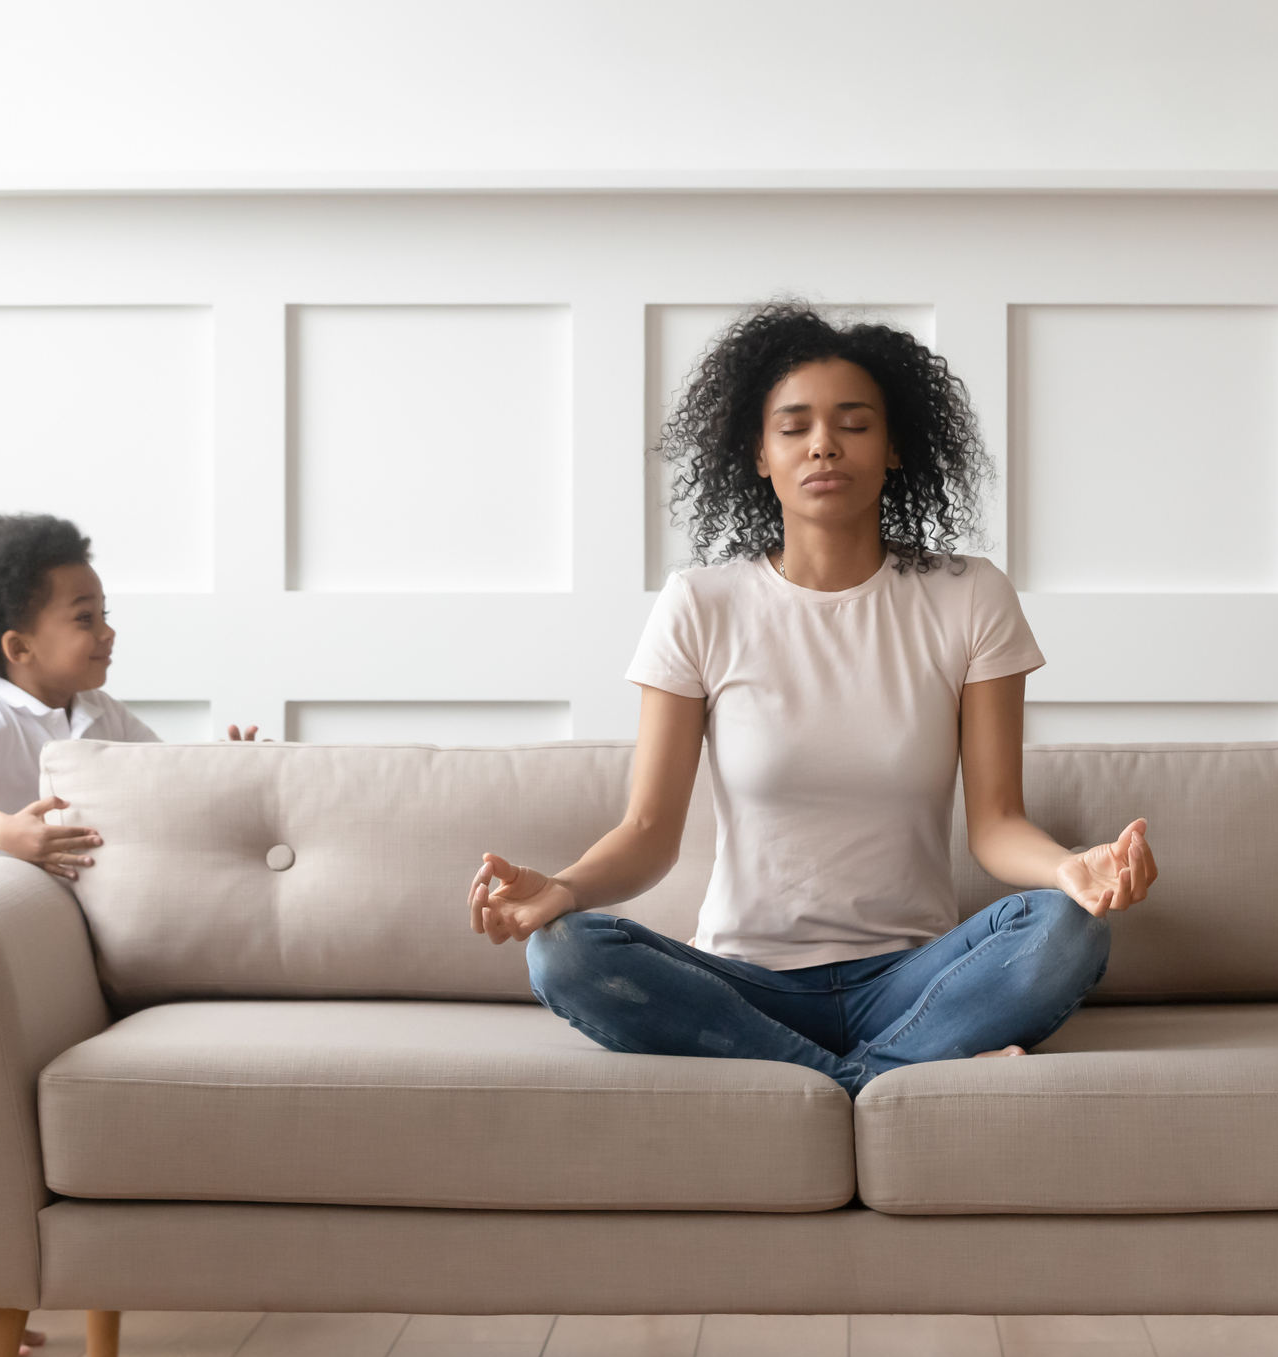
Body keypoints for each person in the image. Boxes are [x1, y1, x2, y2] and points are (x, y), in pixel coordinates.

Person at [468, 303, 1155, 1096]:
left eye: (853, 423)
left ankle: (817, 1084)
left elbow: (996, 825)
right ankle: (885, 1078)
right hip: (743, 984)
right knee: (563, 951)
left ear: (895, 447)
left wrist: (1074, 870)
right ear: (758, 454)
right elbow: (648, 832)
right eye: (793, 427)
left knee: (1069, 927)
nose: (822, 443)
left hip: (914, 979)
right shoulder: (701, 602)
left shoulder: (969, 597)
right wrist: (563, 890)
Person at [0, 512, 259, 1356]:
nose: (107, 631)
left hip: (81, 942)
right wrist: (3, 831)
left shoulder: (99, 712)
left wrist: (225, 758)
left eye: (103, 611)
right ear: (17, 646)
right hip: (9, 948)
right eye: (83, 616)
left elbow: (161, 775)